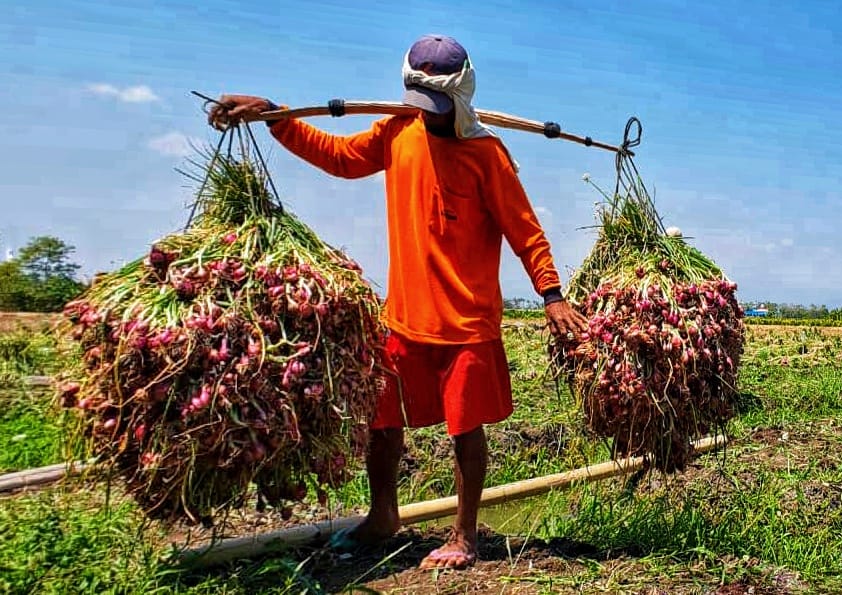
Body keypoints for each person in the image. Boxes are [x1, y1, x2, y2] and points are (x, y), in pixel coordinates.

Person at [208, 33, 588, 570]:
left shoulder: (487, 155)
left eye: (437, 108)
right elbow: (339, 157)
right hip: (405, 317)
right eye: (420, 105)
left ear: (460, 97)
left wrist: (552, 296)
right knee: (381, 421)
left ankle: (464, 534)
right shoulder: (396, 131)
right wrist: (277, 116)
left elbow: (526, 233)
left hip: (467, 322)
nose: (427, 116)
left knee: (465, 430)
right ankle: (383, 514)